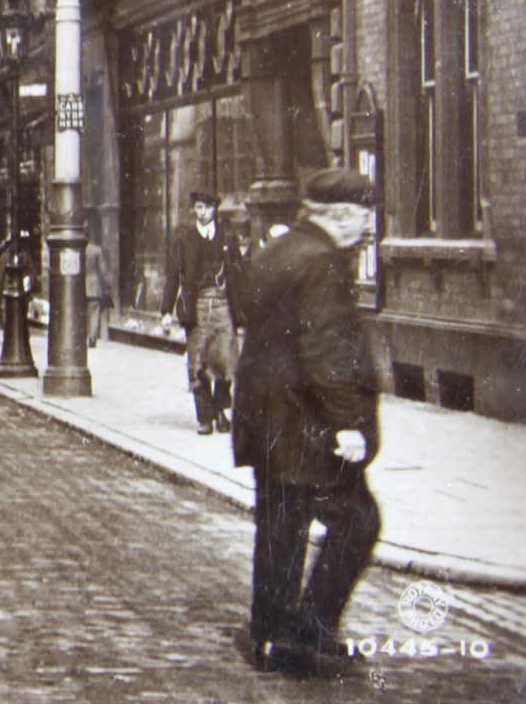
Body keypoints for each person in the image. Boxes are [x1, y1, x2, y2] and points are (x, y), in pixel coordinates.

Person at [232, 169, 382, 676]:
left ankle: (270, 636)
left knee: (280, 528)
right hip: (307, 429)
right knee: (359, 520)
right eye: (363, 216)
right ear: (340, 216)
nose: (367, 227)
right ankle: (310, 629)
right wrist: (348, 423)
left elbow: (245, 311)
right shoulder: (324, 262)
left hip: (266, 424)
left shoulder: (276, 251)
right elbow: (325, 351)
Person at [162, 190, 240, 435]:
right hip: (195, 306)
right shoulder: (183, 238)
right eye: (198, 207)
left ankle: (219, 407)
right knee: (198, 362)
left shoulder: (227, 237)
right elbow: (173, 275)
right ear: (193, 210)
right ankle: (206, 418)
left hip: (223, 304)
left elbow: (239, 274)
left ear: (215, 209)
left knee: (227, 362)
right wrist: (166, 310)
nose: (202, 212)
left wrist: (244, 309)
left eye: (206, 207)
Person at [84, 219, 111, 348]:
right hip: (94, 286)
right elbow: (103, 270)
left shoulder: (79, 250)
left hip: (79, 286)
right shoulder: (96, 250)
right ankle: (92, 338)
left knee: (82, 312)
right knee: (94, 312)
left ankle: (83, 335)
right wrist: (107, 284)